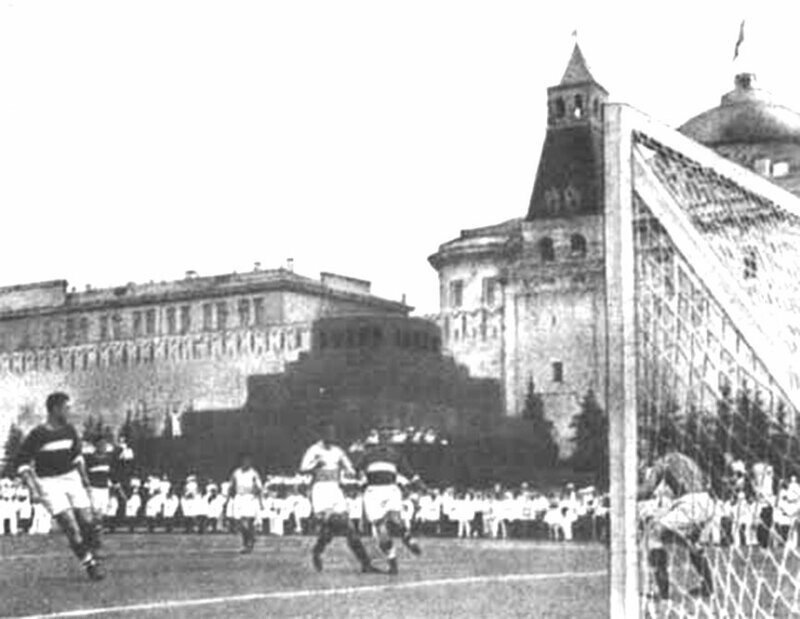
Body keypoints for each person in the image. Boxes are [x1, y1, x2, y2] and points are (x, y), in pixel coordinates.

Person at [15, 392, 104, 580]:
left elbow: (77, 457)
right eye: (67, 408)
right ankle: (90, 563)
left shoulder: (70, 431)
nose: (69, 411)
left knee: (87, 521)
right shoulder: (38, 434)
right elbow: (21, 463)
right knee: (70, 526)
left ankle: (92, 547)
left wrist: (84, 478)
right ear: (55, 409)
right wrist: (33, 488)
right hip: (48, 483)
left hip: (71, 478)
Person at [299, 423, 378, 573]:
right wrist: (315, 464)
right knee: (338, 523)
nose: (331, 436)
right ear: (322, 434)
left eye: (333, 433)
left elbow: (350, 468)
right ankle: (363, 562)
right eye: (328, 433)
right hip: (321, 491)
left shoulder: (338, 451)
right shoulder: (314, 450)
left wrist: (358, 474)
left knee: (345, 528)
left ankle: (365, 563)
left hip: (335, 490)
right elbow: (302, 469)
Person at [638, 449, 715, 600]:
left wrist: (621, 496)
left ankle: (663, 592)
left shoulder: (663, 462)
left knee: (654, 533)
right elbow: (704, 482)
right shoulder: (689, 460)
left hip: (690, 503)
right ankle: (708, 588)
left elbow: (647, 490)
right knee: (693, 545)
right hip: (707, 502)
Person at [356, 429, 422, 575]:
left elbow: (408, 471)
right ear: (378, 439)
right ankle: (393, 563)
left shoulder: (395, 455)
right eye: (382, 438)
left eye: (387, 438)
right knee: (381, 531)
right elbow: (356, 470)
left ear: (390, 441)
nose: (384, 441)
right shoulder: (368, 455)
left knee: (395, 520)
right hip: (373, 492)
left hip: (391, 490)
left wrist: (419, 483)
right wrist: (361, 481)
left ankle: (407, 538)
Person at [228, 451, 263, 553]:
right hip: (239, 498)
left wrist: (259, 500)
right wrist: (228, 500)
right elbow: (231, 485)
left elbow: (259, 487)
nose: (246, 463)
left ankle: (248, 544)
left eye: (248, 461)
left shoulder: (253, 473)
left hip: (249, 498)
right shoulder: (236, 472)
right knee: (240, 523)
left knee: (247, 522)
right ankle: (249, 539)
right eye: (244, 461)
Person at [84, 437, 115, 547]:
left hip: (104, 489)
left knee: (102, 514)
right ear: (96, 446)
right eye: (101, 445)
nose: (104, 447)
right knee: (95, 513)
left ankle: (97, 536)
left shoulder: (109, 459)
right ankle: (92, 537)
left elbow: (110, 474)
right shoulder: (90, 459)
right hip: (94, 489)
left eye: (105, 445)